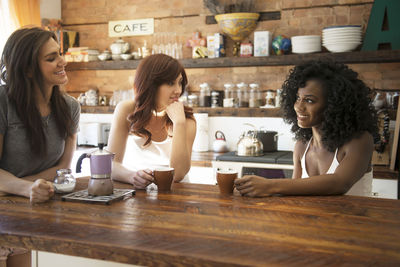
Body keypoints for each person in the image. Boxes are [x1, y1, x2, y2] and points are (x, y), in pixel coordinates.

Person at [235, 60, 378, 197]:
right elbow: (295, 193)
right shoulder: (301, 147)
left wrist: (269, 185)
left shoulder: (360, 141)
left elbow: (339, 183)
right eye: (298, 98)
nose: (298, 107)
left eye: (309, 100)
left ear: (334, 105)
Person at [0, 27, 80, 266]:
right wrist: (28, 188)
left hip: (30, 214)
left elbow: (64, 168)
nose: (62, 61)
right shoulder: (3, 102)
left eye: (60, 53)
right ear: (27, 69)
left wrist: (10, 185)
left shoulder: (70, 107)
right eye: (51, 58)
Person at [107, 54, 196, 189]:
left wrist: (179, 123)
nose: (178, 90)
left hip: (177, 195)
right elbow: (111, 164)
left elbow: (178, 174)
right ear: (151, 83)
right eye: (171, 83)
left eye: (179, 82)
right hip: (138, 193)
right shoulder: (126, 109)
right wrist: (132, 176)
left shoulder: (185, 119)